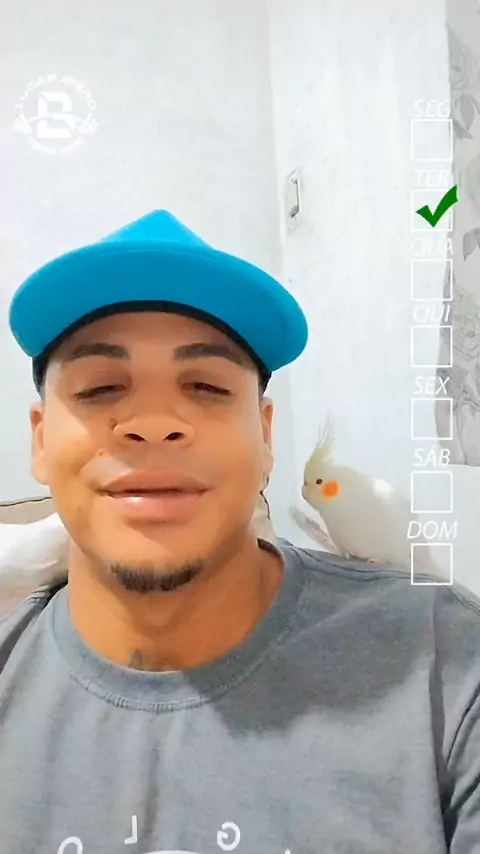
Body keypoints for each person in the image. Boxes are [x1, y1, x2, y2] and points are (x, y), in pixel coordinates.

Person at [1, 210, 479, 854]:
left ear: (266, 437)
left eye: (205, 385)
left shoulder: (446, 666)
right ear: (40, 442)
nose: (154, 422)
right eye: (101, 387)